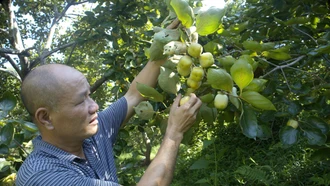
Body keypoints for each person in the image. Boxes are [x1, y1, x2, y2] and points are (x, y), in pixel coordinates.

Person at [16, 19, 202, 186]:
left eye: (89, 95)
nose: (95, 106)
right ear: (46, 118)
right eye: (81, 101)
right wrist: (174, 133)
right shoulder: (42, 176)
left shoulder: (92, 135)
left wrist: (163, 47)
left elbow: (134, 95)